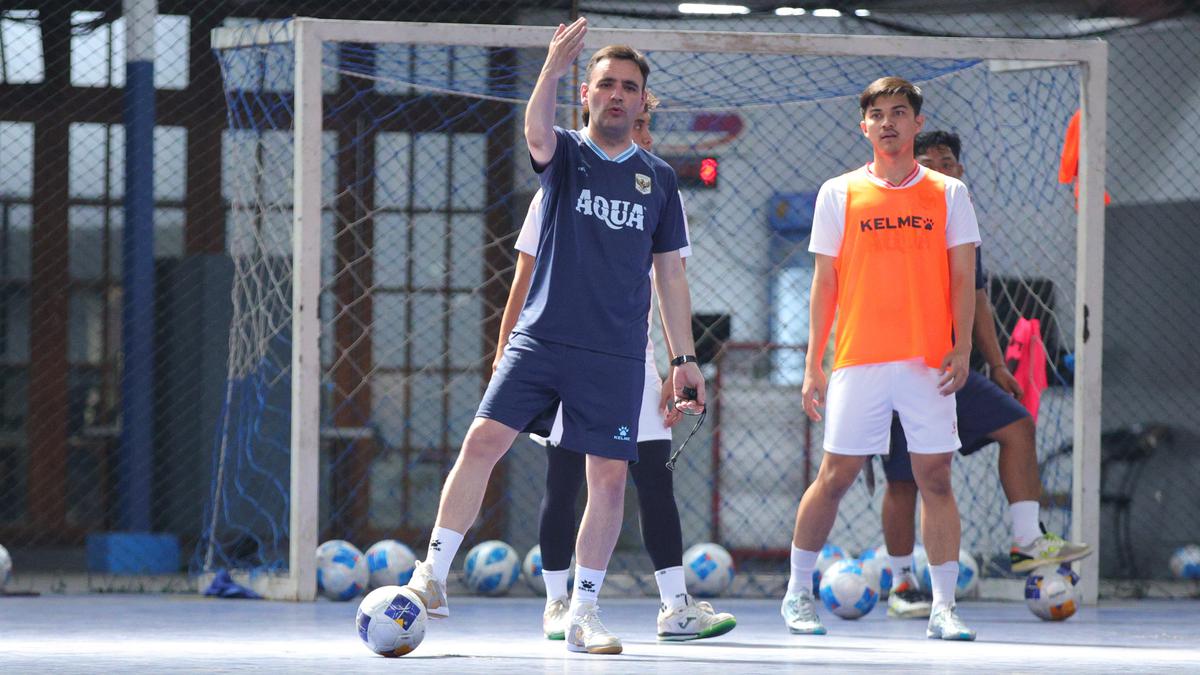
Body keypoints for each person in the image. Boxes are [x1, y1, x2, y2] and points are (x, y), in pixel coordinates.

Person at [403, 17, 704, 656]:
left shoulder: (661, 180)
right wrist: (550, 68)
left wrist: (684, 359)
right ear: (587, 95)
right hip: (541, 341)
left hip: (616, 354)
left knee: (610, 480)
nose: (616, 95)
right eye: (605, 85)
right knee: (483, 439)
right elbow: (534, 133)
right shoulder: (566, 154)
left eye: (628, 86)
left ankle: (583, 613)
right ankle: (432, 575)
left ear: (642, 100)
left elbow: (671, 274)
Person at [494, 90, 736, 643]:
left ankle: (675, 605)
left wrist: (676, 368)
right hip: (559, 355)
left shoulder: (657, 193)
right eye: (638, 121)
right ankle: (559, 604)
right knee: (564, 477)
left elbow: (673, 285)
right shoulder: (561, 185)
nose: (644, 133)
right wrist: (508, 348)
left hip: (633, 365)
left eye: (649, 124)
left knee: (654, 477)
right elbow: (525, 276)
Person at [782, 77, 980, 641]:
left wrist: (961, 345)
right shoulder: (838, 192)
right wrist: (812, 363)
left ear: (917, 125)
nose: (888, 121)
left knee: (935, 476)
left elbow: (964, 277)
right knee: (836, 475)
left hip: (928, 361)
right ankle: (797, 593)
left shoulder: (948, 193)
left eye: (899, 112)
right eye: (877, 113)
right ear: (863, 125)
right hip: (858, 359)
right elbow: (824, 284)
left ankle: (942, 606)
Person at [881, 130, 1093, 619]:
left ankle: (1026, 540)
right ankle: (902, 582)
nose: (940, 167)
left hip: (952, 370)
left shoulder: (962, 219)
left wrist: (996, 363)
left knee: (1017, 425)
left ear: (959, 171)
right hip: (897, 369)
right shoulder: (893, 217)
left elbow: (976, 299)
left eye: (948, 161)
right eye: (928, 160)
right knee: (904, 480)